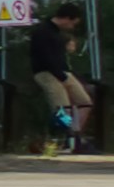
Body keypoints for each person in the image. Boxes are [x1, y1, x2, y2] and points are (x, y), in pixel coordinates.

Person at [25, 9, 98, 158]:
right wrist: (59, 75)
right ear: (66, 18)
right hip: (47, 72)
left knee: (84, 102)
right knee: (62, 108)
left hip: (64, 72)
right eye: (72, 23)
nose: (72, 27)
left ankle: (74, 136)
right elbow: (45, 57)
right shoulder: (42, 32)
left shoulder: (58, 33)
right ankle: (65, 138)